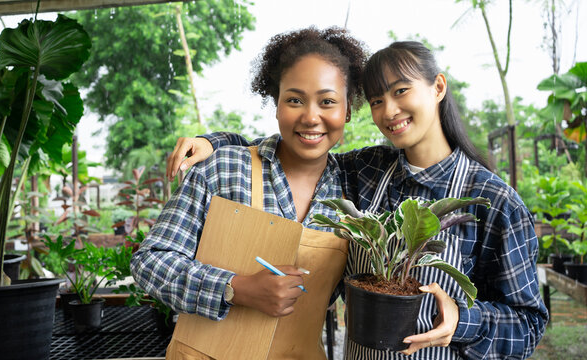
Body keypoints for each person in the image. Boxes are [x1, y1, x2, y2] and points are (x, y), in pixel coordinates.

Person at [166, 41, 549, 360]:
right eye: (377, 100)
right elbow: (293, 147)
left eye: (401, 91)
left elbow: (529, 325)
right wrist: (216, 143)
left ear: (437, 87)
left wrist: (464, 319)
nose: (390, 111)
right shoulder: (367, 173)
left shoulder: (493, 200)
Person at [130, 26, 368, 359]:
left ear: (347, 110)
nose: (311, 117)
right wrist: (235, 288)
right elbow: (150, 262)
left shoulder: (353, 194)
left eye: (327, 101)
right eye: (294, 100)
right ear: (276, 104)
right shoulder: (225, 169)